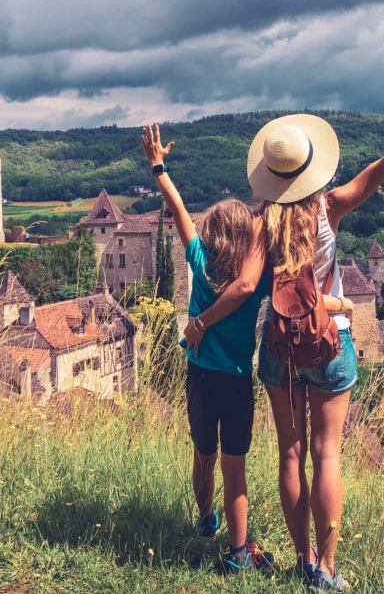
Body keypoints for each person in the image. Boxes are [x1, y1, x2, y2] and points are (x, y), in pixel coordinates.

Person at [247, 80, 384, 592]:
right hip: (330, 340)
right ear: (309, 167)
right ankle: (325, 572)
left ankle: (301, 559)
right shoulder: (328, 208)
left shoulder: (260, 221)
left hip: (279, 344)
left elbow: (244, 280)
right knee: (328, 455)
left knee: (289, 452)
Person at [143, 124, 347, 575]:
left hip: (199, 374)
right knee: (236, 466)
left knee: (203, 454)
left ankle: (204, 521)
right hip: (236, 380)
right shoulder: (254, 287)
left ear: (210, 234)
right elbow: (298, 294)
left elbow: (177, 210)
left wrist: (160, 167)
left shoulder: (198, 259)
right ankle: (238, 553)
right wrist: (339, 302)